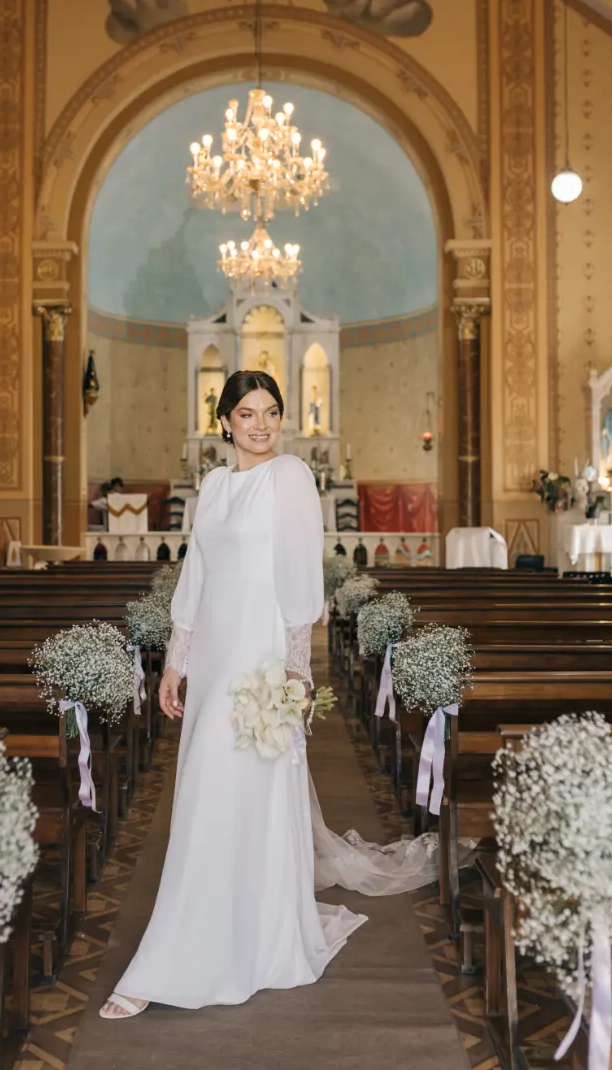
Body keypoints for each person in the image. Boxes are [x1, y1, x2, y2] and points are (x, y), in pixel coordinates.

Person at [101, 370, 452, 1021]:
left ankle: (245, 939)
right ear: (225, 421)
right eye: (247, 413)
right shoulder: (212, 485)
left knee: (251, 795)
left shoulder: (290, 477)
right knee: (201, 794)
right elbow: (196, 576)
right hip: (213, 658)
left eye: (270, 412)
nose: (260, 424)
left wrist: (295, 673)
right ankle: (190, 940)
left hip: (260, 658)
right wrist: (176, 663)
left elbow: (298, 577)